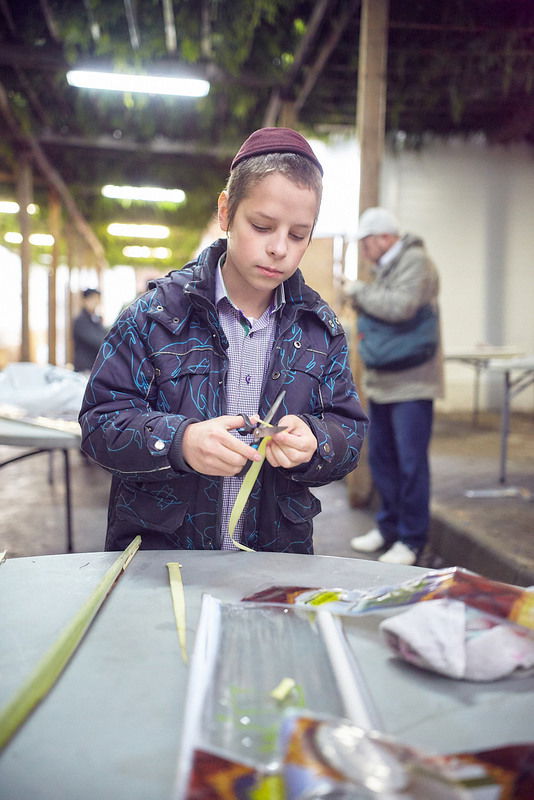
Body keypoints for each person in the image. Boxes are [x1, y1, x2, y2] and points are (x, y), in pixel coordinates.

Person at [79, 127, 368, 552]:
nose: (279, 249)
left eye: (298, 234)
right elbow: (100, 423)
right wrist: (180, 442)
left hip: (273, 563)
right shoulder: (153, 316)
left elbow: (350, 433)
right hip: (163, 563)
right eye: (262, 225)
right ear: (226, 211)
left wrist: (316, 441)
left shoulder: (319, 330)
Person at [345, 207, 443, 566]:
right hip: (385, 381)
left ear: (383, 238)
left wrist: (358, 291)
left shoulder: (416, 262)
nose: (364, 251)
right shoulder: (385, 268)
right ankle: (388, 528)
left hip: (412, 383)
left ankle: (412, 539)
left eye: (366, 243)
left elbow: (401, 306)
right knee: (383, 459)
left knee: (410, 463)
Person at [72, 288, 107, 372]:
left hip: (94, 366)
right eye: (92, 299)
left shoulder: (96, 318)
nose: (95, 302)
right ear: (84, 300)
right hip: (84, 368)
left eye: (97, 299)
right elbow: (97, 341)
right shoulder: (81, 320)